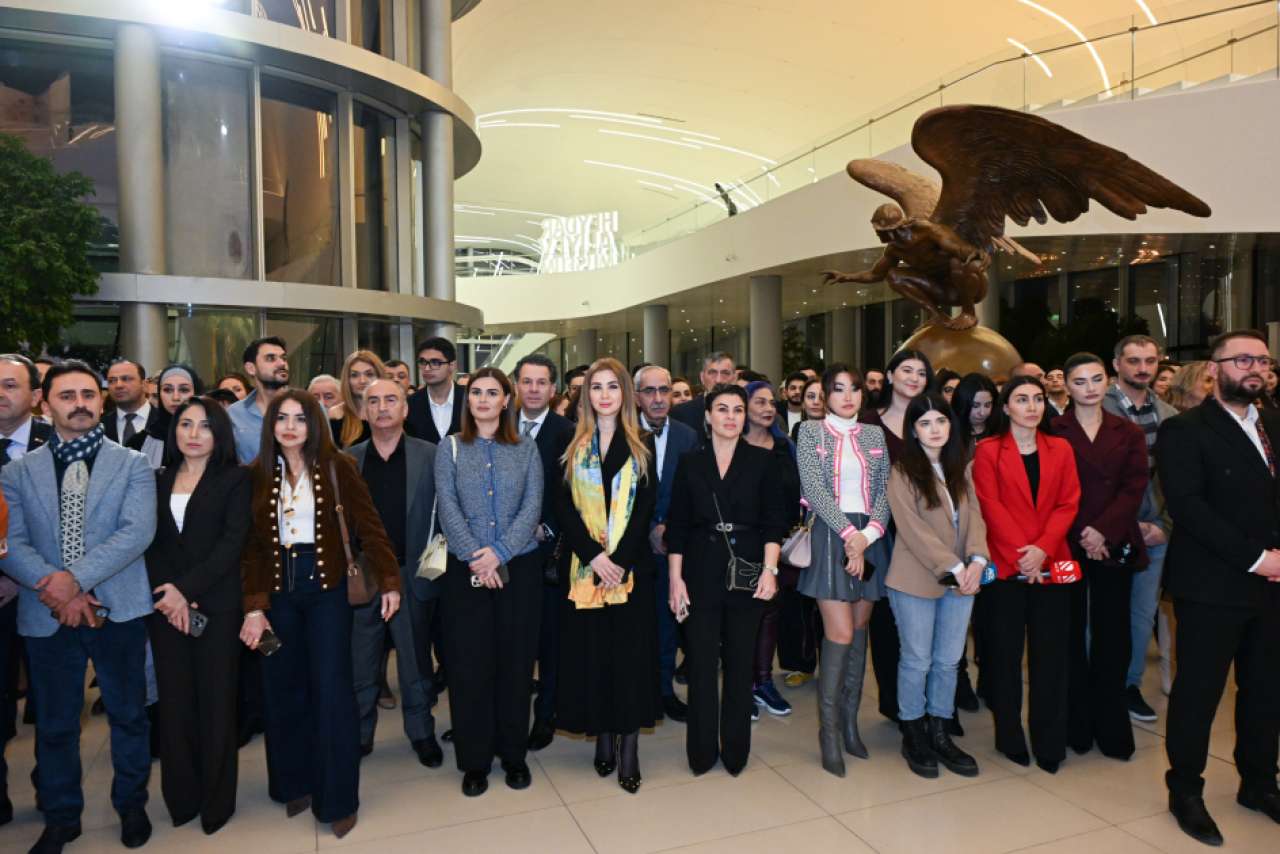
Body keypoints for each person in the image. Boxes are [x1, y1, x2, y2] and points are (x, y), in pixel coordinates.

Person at [0, 360, 157, 853]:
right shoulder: (15, 472)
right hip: (46, 613)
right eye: (67, 396)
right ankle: (62, 817)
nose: (80, 404)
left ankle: (131, 805)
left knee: (128, 717)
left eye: (88, 394)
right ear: (45, 404)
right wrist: (59, 589)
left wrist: (76, 581)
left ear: (101, 399)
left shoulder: (133, 464)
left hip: (119, 608)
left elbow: (136, 533)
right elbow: (10, 542)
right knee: (55, 726)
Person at [239, 390, 400, 839]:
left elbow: (370, 527)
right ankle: (294, 783)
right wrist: (254, 608)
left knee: (331, 691)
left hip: (327, 591)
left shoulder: (338, 466)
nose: (290, 427)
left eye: (300, 419)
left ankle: (338, 799)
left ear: (315, 425)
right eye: (282, 418)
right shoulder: (255, 474)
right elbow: (250, 549)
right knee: (282, 687)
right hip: (277, 594)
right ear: (271, 425)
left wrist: (390, 581)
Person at [1157, 330, 1280, 846]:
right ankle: (1186, 790)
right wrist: (1259, 559)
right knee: (1199, 694)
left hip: (1273, 586)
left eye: (1263, 361)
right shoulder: (1184, 430)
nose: (1255, 369)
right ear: (1214, 369)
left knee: (1266, 690)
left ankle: (1259, 782)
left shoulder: (1274, 423)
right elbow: (1189, 508)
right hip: (1212, 585)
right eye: (1242, 360)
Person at [433, 367, 544, 798]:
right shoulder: (450, 448)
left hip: (519, 570)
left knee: (516, 666)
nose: (482, 399)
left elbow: (532, 506)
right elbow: (448, 508)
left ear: (506, 400)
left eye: (492, 392)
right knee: (469, 667)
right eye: (476, 392)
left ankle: (514, 756)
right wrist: (477, 558)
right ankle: (475, 761)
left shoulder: (526, 447)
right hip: (466, 574)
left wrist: (500, 552)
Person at [145, 396, 250, 835]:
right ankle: (182, 798)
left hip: (217, 607)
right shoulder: (157, 478)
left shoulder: (236, 479)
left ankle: (216, 801)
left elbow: (232, 544)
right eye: (185, 424)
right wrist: (170, 595)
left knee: (217, 704)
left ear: (219, 433)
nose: (193, 434)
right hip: (166, 609)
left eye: (204, 426)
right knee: (174, 706)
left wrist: (186, 590)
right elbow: (150, 542)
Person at [665, 384, 783, 776]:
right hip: (699, 568)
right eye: (722, 409)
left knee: (739, 662)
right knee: (700, 664)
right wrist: (675, 580)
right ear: (708, 416)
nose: (730, 417)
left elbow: (774, 522)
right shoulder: (690, 462)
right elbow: (678, 526)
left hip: (747, 569)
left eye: (737, 409)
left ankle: (735, 750)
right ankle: (701, 752)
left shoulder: (763, 460)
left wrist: (770, 570)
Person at [554, 358, 658, 794]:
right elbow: (561, 507)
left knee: (629, 661)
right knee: (594, 657)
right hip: (585, 570)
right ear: (586, 395)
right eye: (595, 387)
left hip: (630, 572)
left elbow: (646, 508)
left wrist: (619, 561)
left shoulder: (643, 443)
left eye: (612, 386)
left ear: (625, 393)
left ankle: (628, 746)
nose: (604, 394)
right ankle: (602, 735)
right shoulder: (573, 444)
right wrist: (595, 557)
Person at [972, 375, 1080, 774]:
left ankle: (1050, 742)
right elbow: (990, 505)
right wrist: (1024, 555)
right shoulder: (987, 450)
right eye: (1022, 399)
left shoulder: (1061, 448)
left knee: (1051, 658)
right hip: (1006, 566)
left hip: (1053, 562)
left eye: (1037, 398)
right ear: (1006, 407)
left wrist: (1042, 550)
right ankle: (1010, 737)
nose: (1032, 406)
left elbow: (1068, 503)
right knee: (1005, 658)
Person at [796, 365, 892, 776]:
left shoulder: (874, 435)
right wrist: (850, 536)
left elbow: (885, 490)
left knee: (859, 629)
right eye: (838, 389)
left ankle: (850, 724)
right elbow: (813, 489)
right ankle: (829, 732)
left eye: (854, 389)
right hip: (830, 535)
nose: (848, 396)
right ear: (825, 394)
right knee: (839, 633)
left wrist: (867, 536)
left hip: (872, 537)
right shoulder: (809, 432)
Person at [886, 392, 987, 779]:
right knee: (917, 660)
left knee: (948, 660)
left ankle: (940, 730)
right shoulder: (903, 471)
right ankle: (913, 732)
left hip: (962, 579)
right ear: (913, 430)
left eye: (941, 421)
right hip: (915, 578)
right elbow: (912, 529)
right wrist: (955, 565)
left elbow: (975, 516)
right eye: (925, 423)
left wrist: (977, 560)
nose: (934, 429)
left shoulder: (959, 468)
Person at [1053, 353, 1148, 762]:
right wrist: (1082, 532)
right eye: (1079, 381)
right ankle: (1075, 724)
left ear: (1107, 381)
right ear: (1066, 386)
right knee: (1067, 630)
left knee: (1114, 633)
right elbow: (1050, 489)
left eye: (1096, 379)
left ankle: (1111, 727)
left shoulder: (1128, 431)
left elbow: (1134, 487)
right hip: (1063, 544)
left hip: (1115, 542)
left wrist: (1102, 531)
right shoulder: (1052, 429)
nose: (1089, 388)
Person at [345, 379, 443, 767]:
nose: (382, 407)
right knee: (361, 662)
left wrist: (430, 576)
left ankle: (421, 733)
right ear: (362, 410)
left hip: (413, 573)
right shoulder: (347, 460)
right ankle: (359, 734)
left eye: (391, 400)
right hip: (365, 576)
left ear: (405, 408)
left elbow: (443, 519)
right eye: (373, 401)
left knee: (415, 663)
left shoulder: (431, 454)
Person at [1102, 335, 1178, 724]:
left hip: (1155, 532)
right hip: (1106, 529)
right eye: (1134, 361)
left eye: (1150, 361)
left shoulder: (1169, 414)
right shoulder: (1096, 408)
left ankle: (1128, 686)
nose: (1143, 368)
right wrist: (1120, 522)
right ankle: (1098, 685)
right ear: (1117, 364)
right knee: (1100, 613)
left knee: (1141, 614)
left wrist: (1164, 525)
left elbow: (1176, 479)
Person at [860, 349, 933, 725]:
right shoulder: (868, 422)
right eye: (907, 370)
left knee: (927, 623)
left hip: (930, 534)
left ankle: (932, 705)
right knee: (887, 622)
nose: (914, 378)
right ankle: (895, 703)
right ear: (889, 376)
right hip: (882, 533)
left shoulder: (933, 418)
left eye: (921, 372)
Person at [512, 354, 574, 752]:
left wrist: (547, 528)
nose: (533, 389)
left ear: (553, 389)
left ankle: (546, 714)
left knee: (549, 642)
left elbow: (572, 493)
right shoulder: (496, 425)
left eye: (541, 382)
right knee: (512, 642)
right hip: (504, 555)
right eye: (527, 381)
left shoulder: (568, 432)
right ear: (516, 386)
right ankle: (508, 716)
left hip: (549, 551)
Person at [0, 354, 52, 822]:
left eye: (9, 385)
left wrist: (28, 575)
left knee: (52, 705)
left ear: (35, 396)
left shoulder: (58, 443)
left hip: (46, 594)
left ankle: (50, 787)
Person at [634, 365, 697, 722]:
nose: (658, 398)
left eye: (664, 390)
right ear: (637, 396)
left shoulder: (689, 436)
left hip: (674, 546)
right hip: (631, 548)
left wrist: (669, 529)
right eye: (650, 391)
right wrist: (649, 529)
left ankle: (663, 691)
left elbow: (694, 491)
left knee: (667, 624)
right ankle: (635, 691)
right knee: (634, 625)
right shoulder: (621, 433)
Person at [742, 380, 800, 718]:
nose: (768, 408)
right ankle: (742, 684)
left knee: (771, 612)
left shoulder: (785, 447)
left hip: (779, 543)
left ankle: (763, 681)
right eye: (759, 402)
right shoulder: (731, 444)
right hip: (741, 544)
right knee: (743, 616)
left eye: (770, 402)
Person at [227, 336, 290, 465]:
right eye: (271, 358)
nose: (282, 363)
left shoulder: (311, 408)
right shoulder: (233, 414)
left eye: (283, 358)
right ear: (251, 368)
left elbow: (326, 459)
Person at [137, 364, 204, 469]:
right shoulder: (140, 441)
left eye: (184, 390)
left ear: (196, 393)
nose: (175, 397)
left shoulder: (214, 436)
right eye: (167, 390)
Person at [407, 337, 464, 444]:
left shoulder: (470, 399)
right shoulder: (409, 404)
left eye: (435, 362)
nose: (427, 368)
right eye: (423, 362)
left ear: (452, 366)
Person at [670, 352, 736, 434]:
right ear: (702, 377)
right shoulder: (680, 413)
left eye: (725, 373)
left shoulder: (744, 413)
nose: (718, 380)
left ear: (734, 378)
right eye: (712, 373)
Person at [331, 351, 384, 449]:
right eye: (355, 375)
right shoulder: (336, 415)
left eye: (369, 374)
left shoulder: (393, 412)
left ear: (380, 377)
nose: (362, 381)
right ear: (347, 380)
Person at [790, 375, 826, 444]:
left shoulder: (838, 430)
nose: (816, 402)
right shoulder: (798, 428)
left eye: (822, 397)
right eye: (811, 396)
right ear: (803, 403)